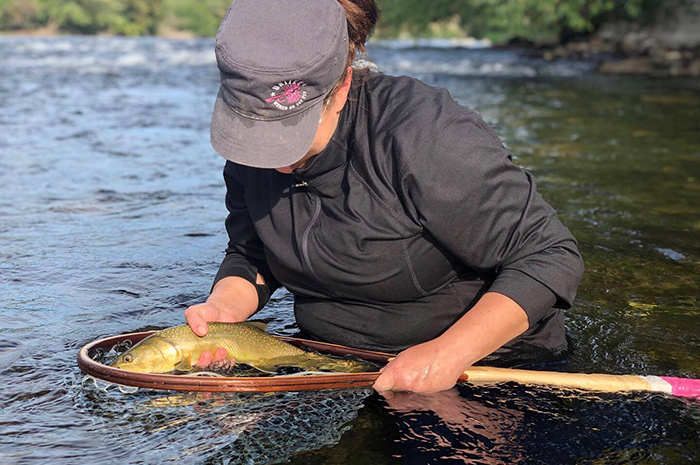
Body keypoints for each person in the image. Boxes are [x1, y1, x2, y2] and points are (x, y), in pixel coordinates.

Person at [184, 0, 584, 394]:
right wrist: (224, 309)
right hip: (328, 363)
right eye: (254, 134)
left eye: (286, 135)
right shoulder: (250, 155)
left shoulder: (423, 133)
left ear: (341, 88)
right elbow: (252, 253)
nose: (270, 160)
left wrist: (448, 354)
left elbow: (548, 255)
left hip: (486, 367)